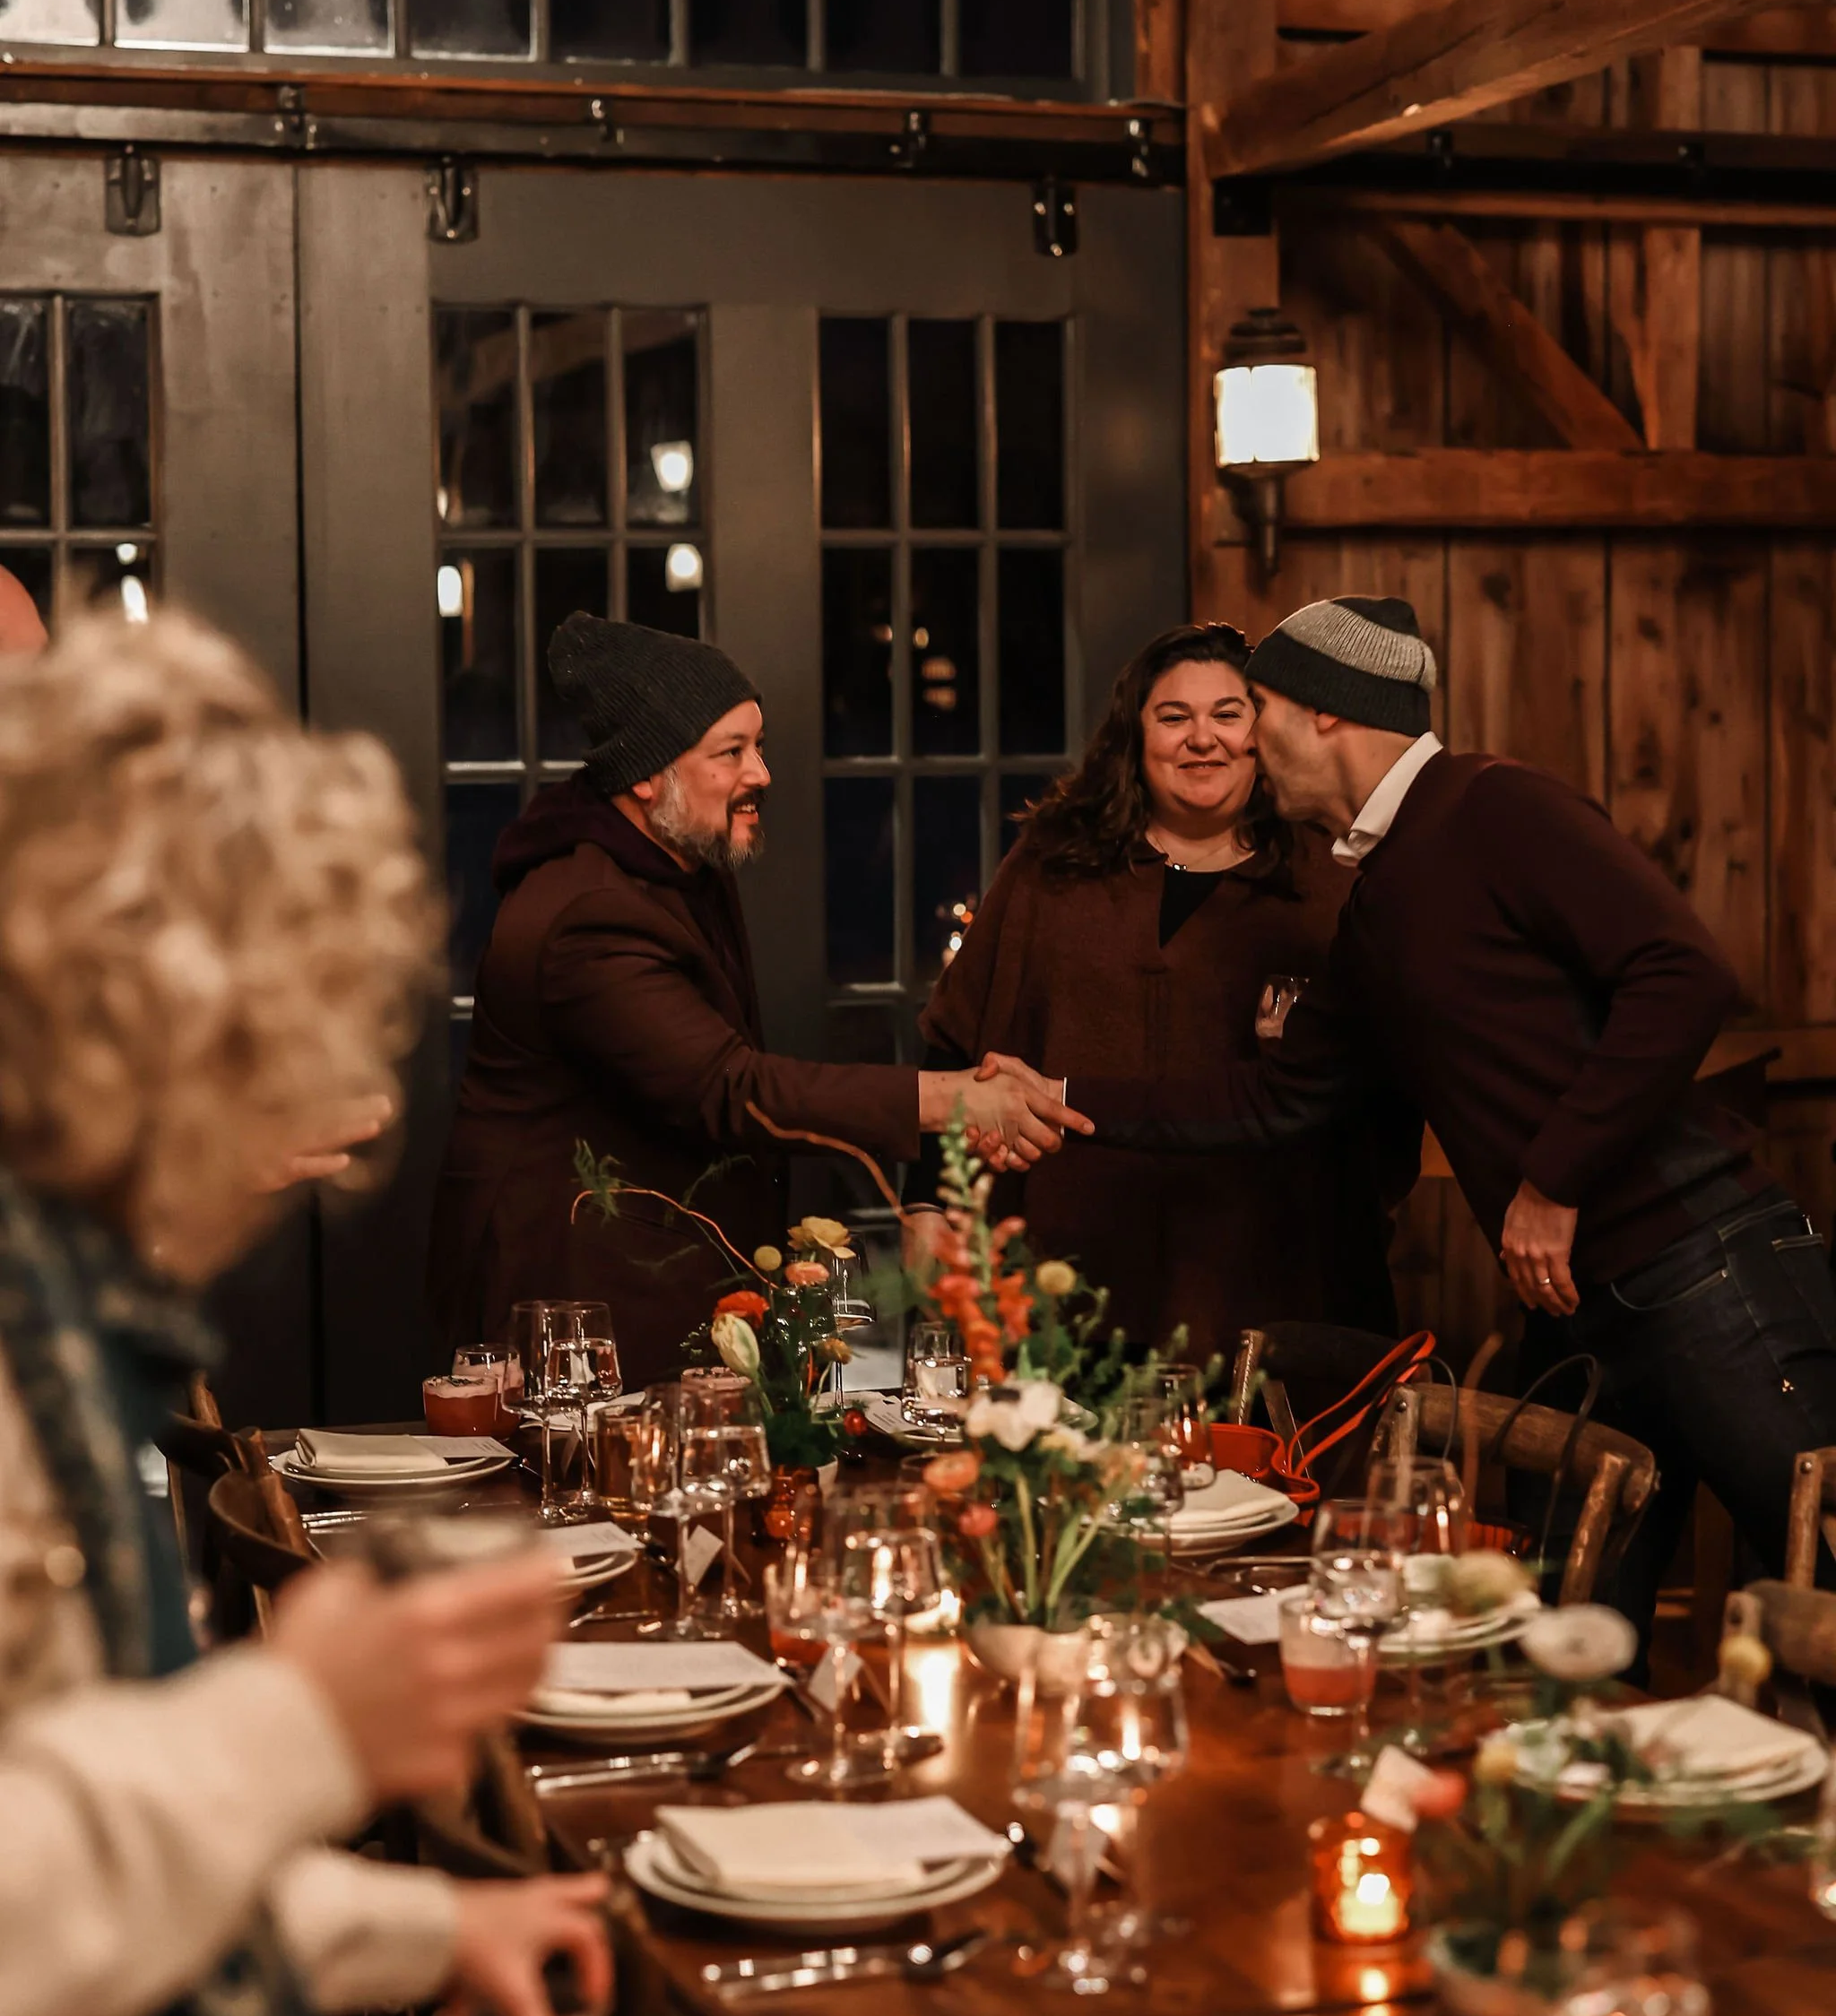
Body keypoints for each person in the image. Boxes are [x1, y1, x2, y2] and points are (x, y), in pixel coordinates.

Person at [0, 609, 607, 2016]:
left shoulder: (64, 1331)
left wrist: (429, 1931)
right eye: (267, 1056)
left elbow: (99, 1841)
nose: (301, 1153)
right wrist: (299, 1722)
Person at [1008, 593, 1836, 1622]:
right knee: (1555, 1644)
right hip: (1577, 1310)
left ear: (1323, 713)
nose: (1244, 738)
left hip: (1702, 1269)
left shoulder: (1495, 807)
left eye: (1254, 706)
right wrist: (1060, 1096)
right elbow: (1276, 1098)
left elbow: (1683, 975)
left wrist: (1551, 1179)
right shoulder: (1379, 896)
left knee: (1821, 1584)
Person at [430, 614, 1081, 1380]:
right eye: (731, 752)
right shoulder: (590, 912)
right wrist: (953, 1101)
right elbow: (728, 1088)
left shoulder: (677, 863)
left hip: (649, 1273)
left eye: (758, 745)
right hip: (576, 1298)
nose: (762, 773)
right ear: (646, 775)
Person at [920, 623, 1406, 1358]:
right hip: (1069, 1264)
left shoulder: (1332, 881)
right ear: (1134, 736)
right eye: (1173, 717)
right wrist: (929, 1201)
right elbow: (954, 1041)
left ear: (1263, 736)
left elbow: (1392, 1080)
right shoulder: (1052, 868)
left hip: (1274, 1268)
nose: (1200, 739)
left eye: (1228, 714)